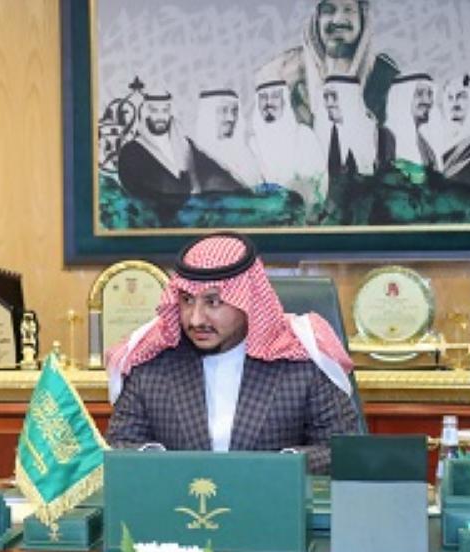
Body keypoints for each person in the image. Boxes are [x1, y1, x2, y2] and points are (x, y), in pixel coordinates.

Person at [105, 232, 360, 474]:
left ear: (247, 300)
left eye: (213, 302)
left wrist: (280, 469)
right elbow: (120, 446)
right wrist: (166, 466)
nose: (195, 319)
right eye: (187, 300)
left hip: (272, 502)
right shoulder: (150, 361)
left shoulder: (302, 360)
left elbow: (341, 451)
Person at [255, 0, 398, 127]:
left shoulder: (386, 77)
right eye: (329, 10)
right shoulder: (282, 72)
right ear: (316, 18)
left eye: (348, 9)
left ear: (362, 17)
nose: (338, 20)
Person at [117, 85, 197, 221]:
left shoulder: (187, 146)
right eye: (154, 111)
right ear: (146, 113)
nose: (160, 117)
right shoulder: (131, 151)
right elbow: (135, 195)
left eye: (165, 110)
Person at [248, 79, 326, 202]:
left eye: (275, 96)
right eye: (263, 97)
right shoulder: (252, 144)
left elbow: (316, 182)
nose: (268, 103)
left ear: (284, 101)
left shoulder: (303, 135)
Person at [192, 88, 261, 189]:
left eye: (234, 111)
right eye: (223, 110)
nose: (231, 118)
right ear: (208, 115)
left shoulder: (247, 156)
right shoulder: (194, 160)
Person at [317, 74, 380, 176]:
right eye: (325, 97)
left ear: (348, 97)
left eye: (334, 96)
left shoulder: (370, 132)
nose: (328, 103)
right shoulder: (329, 135)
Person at [383, 73, 441, 170]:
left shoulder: (425, 144)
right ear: (403, 98)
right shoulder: (385, 139)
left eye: (430, 94)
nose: (427, 101)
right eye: (419, 94)